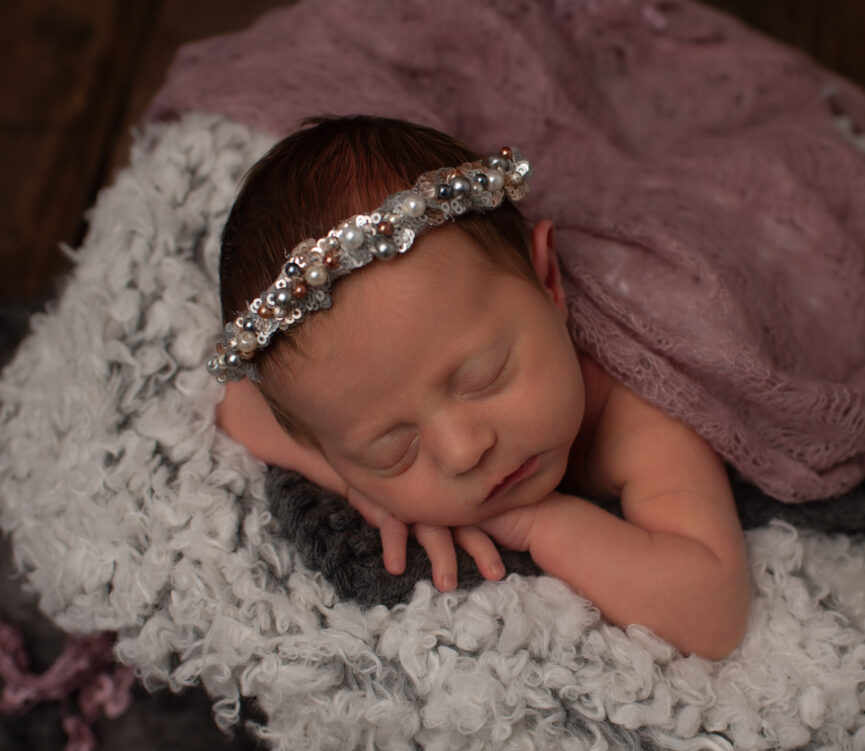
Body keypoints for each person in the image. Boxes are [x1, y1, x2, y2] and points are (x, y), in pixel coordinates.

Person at [212, 115, 749, 659]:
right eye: (393, 448)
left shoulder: (638, 408)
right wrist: (365, 491)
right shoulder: (339, 410)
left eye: (483, 377)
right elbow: (240, 406)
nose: (465, 451)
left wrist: (532, 522)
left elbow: (711, 613)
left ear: (549, 281)